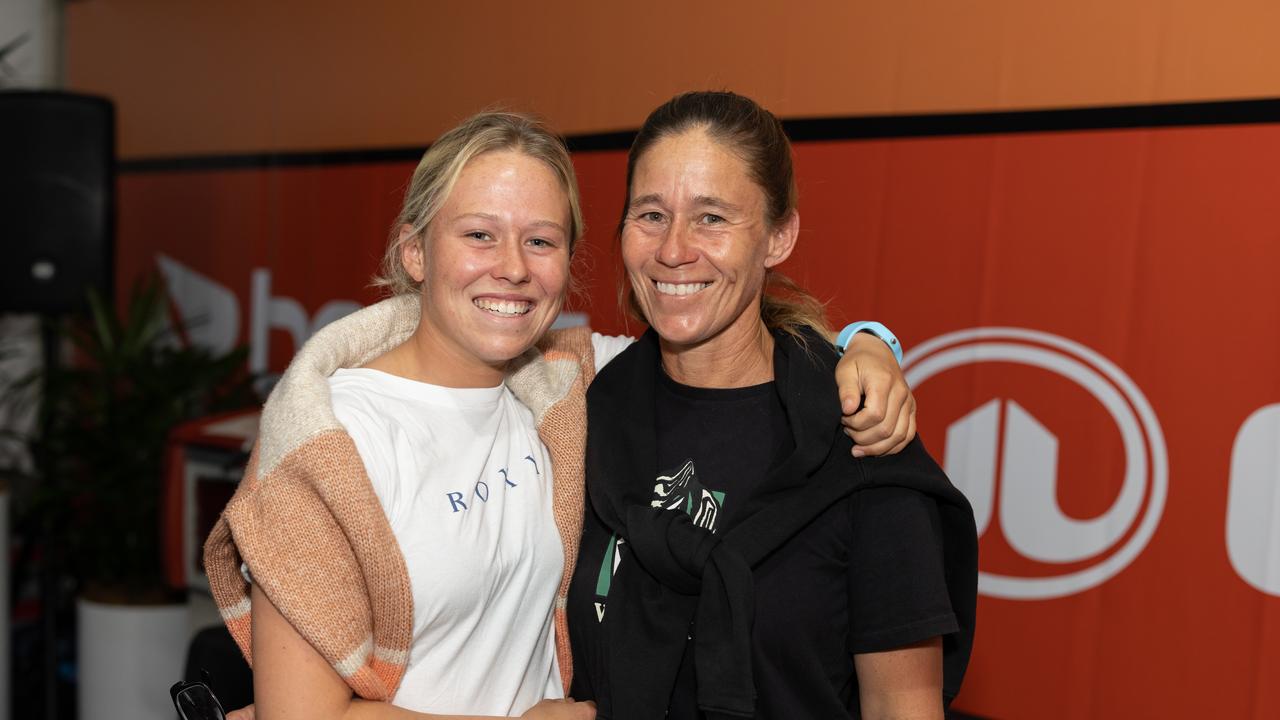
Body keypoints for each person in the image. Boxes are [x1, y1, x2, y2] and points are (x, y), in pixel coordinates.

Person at [204, 110, 916, 720]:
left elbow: (730, 333)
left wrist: (865, 348)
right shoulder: (331, 444)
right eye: (479, 235)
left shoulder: (563, 386)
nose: (513, 267)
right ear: (414, 250)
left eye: (540, 240)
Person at [566, 91, 978, 720]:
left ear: (779, 235)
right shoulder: (584, 408)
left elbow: (903, 706)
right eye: (651, 214)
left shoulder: (860, 441)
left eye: (712, 218)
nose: (673, 250)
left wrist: (867, 346)